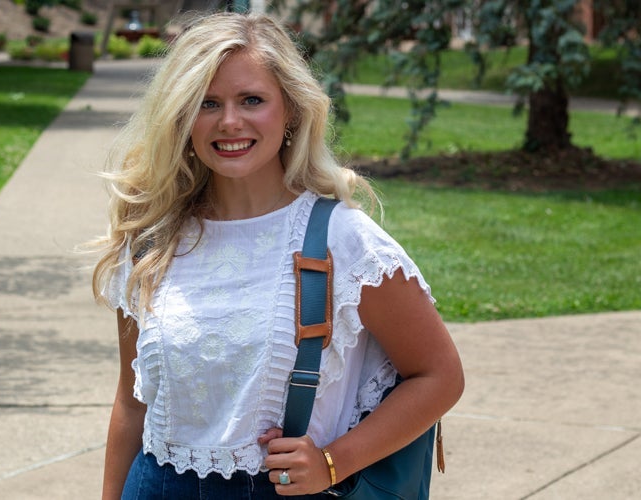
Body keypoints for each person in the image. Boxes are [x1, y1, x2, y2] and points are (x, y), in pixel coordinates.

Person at [91, 11, 464, 500]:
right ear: (180, 115)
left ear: (289, 109)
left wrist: (333, 463)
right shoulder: (152, 242)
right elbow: (133, 403)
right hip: (155, 486)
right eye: (207, 103)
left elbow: (439, 376)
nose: (229, 122)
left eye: (252, 100)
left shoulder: (343, 241)